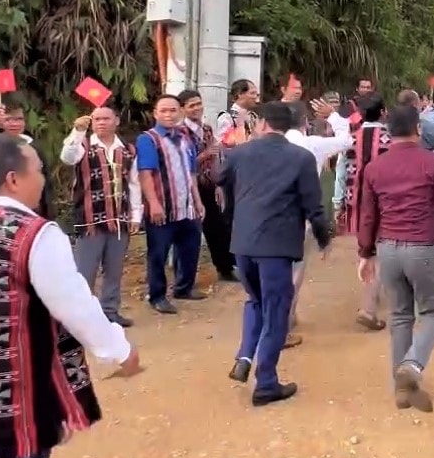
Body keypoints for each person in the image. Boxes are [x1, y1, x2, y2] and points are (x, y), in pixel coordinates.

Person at [0, 135, 141, 458]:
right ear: (13, 179)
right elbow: (73, 303)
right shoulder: (34, 233)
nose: (43, 180)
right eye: (39, 170)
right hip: (16, 396)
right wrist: (119, 349)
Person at [219, 102, 332, 407]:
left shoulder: (240, 153)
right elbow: (313, 205)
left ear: (263, 124)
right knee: (276, 309)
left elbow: (219, 178)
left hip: (243, 243)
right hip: (276, 246)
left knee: (255, 300)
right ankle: (266, 382)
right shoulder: (301, 158)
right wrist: (323, 238)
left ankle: (245, 356)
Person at [356, 105, 434, 412]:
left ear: (389, 132)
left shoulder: (374, 168)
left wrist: (365, 253)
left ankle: (401, 389)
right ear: (418, 129)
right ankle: (413, 364)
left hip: (388, 249)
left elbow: (368, 215)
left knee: (401, 315)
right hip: (422, 247)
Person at [58, 103, 142, 327]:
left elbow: (134, 183)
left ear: (117, 121)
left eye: (106, 118)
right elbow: (67, 157)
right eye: (97, 119)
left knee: (114, 270)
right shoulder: (83, 146)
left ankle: (110, 312)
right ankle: (81, 317)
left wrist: (136, 215)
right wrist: (77, 131)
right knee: (85, 271)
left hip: (119, 219)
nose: (101, 123)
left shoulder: (128, 150)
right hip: (90, 219)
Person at [284, 99, 353, 346]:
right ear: (305, 122)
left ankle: (277, 317)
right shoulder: (312, 144)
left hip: (268, 214)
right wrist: (333, 116)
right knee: (295, 270)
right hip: (300, 215)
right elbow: (347, 141)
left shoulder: (266, 145)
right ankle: (284, 320)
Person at [136, 94, 206, 315]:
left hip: (187, 206)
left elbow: (191, 173)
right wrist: (154, 203)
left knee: (190, 249)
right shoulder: (148, 139)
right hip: (163, 207)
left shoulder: (185, 138)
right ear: (155, 114)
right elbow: (145, 174)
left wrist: (198, 201)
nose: (168, 115)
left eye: (173, 110)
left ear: (180, 112)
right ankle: (157, 296)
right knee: (158, 253)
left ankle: (184, 288)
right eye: (163, 111)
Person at [333, 93, 390, 330]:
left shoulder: (350, 140)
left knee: (366, 249)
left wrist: (337, 203)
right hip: (385, 203)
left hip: (356, 202)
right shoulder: (390, 139)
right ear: (383, 112)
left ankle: (371, 297)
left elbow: (340, 172)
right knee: (379, 252)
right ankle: (369, 307)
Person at [178, 89, 236, 282]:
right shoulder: (179, 132)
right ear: (182, 109)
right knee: (188, 232)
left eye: (198, 103)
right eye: (191, 105)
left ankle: (225, 269)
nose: (196, 108)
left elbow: (214, 160)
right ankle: (184, 279)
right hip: (187, 187)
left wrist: (218, 183)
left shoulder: (207, 129)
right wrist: (205, 154)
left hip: (208, 184)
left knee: (217, 228)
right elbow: (179, 164)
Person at [0, 93, 54, 219]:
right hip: (3, 217)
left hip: (35, 215)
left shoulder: (35, 147)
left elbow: (47, 186)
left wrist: (48, 216)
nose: (14, 124)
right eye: (8, 120)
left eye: (19, 119)